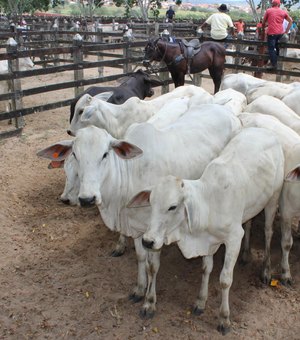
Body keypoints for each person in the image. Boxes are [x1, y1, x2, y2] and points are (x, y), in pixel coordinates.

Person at [262, 0, 292, 69]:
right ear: (279, 4)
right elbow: (290, 21)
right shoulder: (283, 12)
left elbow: (263, 22)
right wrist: (286, 32)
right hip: (280, 33)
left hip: (272, 33)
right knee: (277, 47)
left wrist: (263, 29)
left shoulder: (268, 11)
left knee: (271, 49)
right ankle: (277, 61)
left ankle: (274, 65)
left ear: (272, 4)